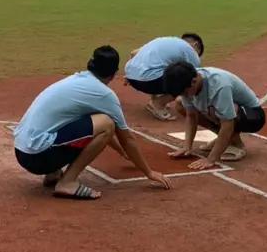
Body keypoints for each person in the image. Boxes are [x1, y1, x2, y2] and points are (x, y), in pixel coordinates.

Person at [13, 46, 172, 200]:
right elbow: (125, 138)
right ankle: (67, 182)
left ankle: (53, 173)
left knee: (85, 120)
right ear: (114, 73)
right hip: (37, 156)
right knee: (106, 123)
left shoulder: (77, 80)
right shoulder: (103, 95)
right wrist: (148, 172)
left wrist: (121, 152)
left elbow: (95, 129)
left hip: (23, 150)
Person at [166, 65, 266, 166]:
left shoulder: (219, 85)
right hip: (222, 112)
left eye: (185, 92)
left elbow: (228, 123)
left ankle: (236, 144)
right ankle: (224, 139)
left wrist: (211, 159)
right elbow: (191, 116)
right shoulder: (187, 81)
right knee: (180, 104)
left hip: (253, 116)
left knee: (220, 108)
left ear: (194, 81)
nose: (185, 96)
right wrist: (187, 147)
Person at [122, 35, 202, 121]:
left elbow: (133, 53)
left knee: (162, 67)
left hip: (132, 78)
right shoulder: (189, 50)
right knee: (183, 76)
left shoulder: (164, 41)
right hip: (148, 81)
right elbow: (196, 79)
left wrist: (128, 75)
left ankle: (154, 99)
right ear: (195, 45)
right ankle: (158, 103)